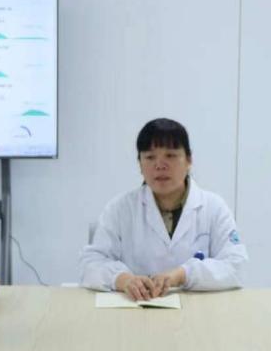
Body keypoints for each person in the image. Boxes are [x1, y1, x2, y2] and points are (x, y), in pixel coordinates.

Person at [79, 118, 247, 300]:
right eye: (150, 157)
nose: (160, 165)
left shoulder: (214, 208)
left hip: (197, 310)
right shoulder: (120, 209)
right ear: (140, 164)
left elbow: (236, 266)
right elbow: (91, 263)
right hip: (135, 309)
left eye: (170, 155)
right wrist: (123, 280)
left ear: (189, 160)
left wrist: (183, 274)